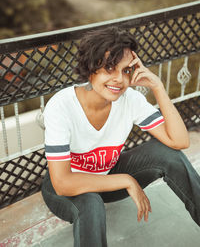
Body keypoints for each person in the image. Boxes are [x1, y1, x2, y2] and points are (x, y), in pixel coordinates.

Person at [41, 26, 200, 247]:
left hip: (108, 174)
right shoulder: (62, 106)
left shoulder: (130, 100)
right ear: (90, 68)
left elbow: (180, 141)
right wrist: (127, 180)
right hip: (68, 187)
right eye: (109, 68)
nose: (118, 79)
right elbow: (62, 183)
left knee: (169, 154)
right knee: (90, 203)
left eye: (126, 70)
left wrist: (157, 87)